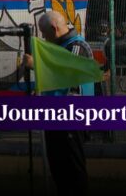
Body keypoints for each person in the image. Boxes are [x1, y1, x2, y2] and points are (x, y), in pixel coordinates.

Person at [24, 11, 94, 196]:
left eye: (45, 34)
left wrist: (37, 66)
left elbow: (70, 75)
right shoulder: (62, 47)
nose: (44, 39)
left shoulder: (77, 46)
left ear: (54, 29)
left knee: (73, 170)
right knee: (58, 168)